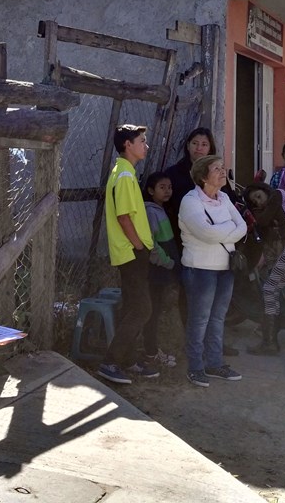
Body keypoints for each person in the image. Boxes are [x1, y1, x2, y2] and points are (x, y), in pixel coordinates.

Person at [164, 127, 239, 356]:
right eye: (195, 143)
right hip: (186, 244)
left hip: (219, 249)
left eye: (204, 144)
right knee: (193, 301)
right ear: (187, 145)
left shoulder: (217, 174)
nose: (199, 148)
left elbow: (234, 211)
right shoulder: (174, 175)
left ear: (211, 147)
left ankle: (213, 345)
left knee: (216, 305)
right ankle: (194, 348)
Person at [98, 124, 160, 384]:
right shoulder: (123, 175)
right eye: (141, 141)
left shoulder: (125, 172)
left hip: (133, 251)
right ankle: (110, 362)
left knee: (133, 307)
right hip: (131, 252)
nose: (146, 145)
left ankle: (127, 359)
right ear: (127, 145)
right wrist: (138, 245)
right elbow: (124, 217)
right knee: (142, 309)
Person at [178, 155, 247, 387]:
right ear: (202, 176)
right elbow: (204, 233)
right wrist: (229, 228)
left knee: (217, 318)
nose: (222, 171)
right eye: (216, 168)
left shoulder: (225, 197)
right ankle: (195, 367)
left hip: (225, 268)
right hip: (200, 270)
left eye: (222, 167)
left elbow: (244, 226)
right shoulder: (190, 201)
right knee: (199, 320)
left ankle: (215, 363)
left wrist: (222, 228)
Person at [243, 182, 285, 356]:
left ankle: (269, 343)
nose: (258, 203)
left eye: (259, 197)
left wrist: (250, 212)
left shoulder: (276, 195)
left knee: (269, 289)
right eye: (254, 202)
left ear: (266, 190)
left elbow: (262, 221)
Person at [142, 171, 179, 368]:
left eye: (169, 187)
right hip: (155, 271)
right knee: (152, 312)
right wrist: (167, 262)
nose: (167, 191)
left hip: (162, 270)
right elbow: (151, 245)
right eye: (162, 187)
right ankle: (150, 352)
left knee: (155, 310)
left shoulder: (161, 209)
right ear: (150, 190)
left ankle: (152, 350)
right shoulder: (150, 212)